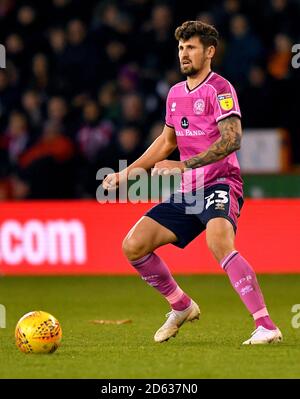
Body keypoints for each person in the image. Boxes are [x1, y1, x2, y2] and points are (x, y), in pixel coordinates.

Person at [102, 21, 282, 345]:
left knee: (219, 241)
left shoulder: (220, 89)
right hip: (188, 191)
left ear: (209, 52)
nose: (184, 54)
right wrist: (128, 173)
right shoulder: (174, 94)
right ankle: (181, 305)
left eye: (191, 47)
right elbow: (166, 141)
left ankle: (266, 325)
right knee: (133, 245)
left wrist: (183, 164)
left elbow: (232, 140)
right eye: (181, 48)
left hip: (220, 183)